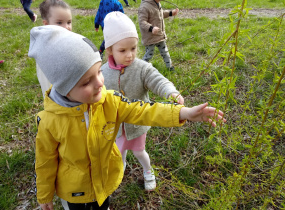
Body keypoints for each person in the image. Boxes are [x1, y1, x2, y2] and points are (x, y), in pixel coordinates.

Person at [28, 25, 225, 210]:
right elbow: (45, 160)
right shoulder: (49, 121)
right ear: (64, 88)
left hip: (105, 182)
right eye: (87, 81)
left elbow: (144, 110)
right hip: (74, 193)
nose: (99, 83)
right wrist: (45, 195)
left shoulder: (109, 101)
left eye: (98, 72)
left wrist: (184, 113)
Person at [102, 11, 184, 191]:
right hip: (115, 125)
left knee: (139, 151)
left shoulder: (141, 68)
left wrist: (171, 92)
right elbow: (96, 93)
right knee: (118, 151)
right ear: (109, 50)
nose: (130, 55)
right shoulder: (102, 72)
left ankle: (148, 170)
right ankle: (119, 171)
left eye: (133, 48)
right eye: (122, 50)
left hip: (138, 123)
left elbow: (158, 80)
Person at [37, 0, 72, 97]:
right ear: (46, 24)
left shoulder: (68, 41)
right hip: (55, 96)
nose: (66, 27)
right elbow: (47, 82)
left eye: (69, 22)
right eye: (59, 22)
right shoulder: (46, 50)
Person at [138, 0, 179, 71]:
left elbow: (160, 14)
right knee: (149, 54)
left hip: (159, 35)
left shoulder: (156, 3)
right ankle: (141, 68)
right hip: (150, 37)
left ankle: (169, 66)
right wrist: (151, 28)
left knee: (165, 51)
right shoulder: (144, 7)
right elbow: (142, 22)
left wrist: (170, 13)